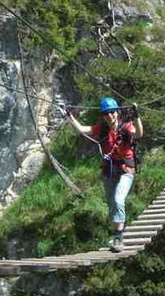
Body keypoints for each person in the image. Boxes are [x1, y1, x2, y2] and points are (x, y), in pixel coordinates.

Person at [60, 97, 143, 252]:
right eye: (106, 114)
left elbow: (138, 133)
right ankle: (116, 234)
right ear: (103, 116)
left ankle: (119, 239)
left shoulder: (126, 127)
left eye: (112, 112)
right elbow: (81, 129)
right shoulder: (102, 129)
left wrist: (136, 116)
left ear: (117, 112)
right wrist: (68, 115)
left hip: (126, 170)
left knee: (118, 200)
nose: (109, 116)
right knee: (112, 203)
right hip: (109, 170)